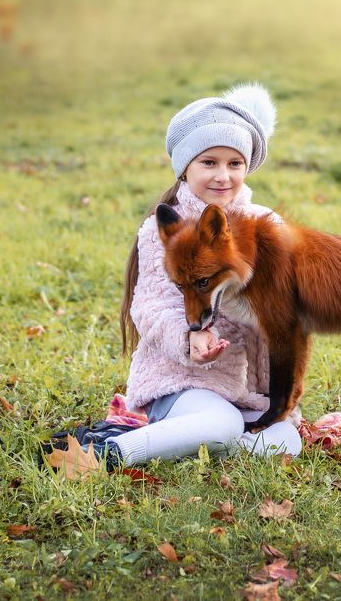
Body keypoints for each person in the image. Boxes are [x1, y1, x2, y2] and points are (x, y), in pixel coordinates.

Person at [109, 83, 302, 466]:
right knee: (220, 421)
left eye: (235, 164)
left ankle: (192, 447)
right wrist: (189, 337)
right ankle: (114, 452)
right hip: (181, 381)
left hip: (248, 391)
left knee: (286, 440)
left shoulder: (266, 225)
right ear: (185, 166)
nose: (223, 176)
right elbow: (150, 306)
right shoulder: (162, 231)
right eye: (209, 162)